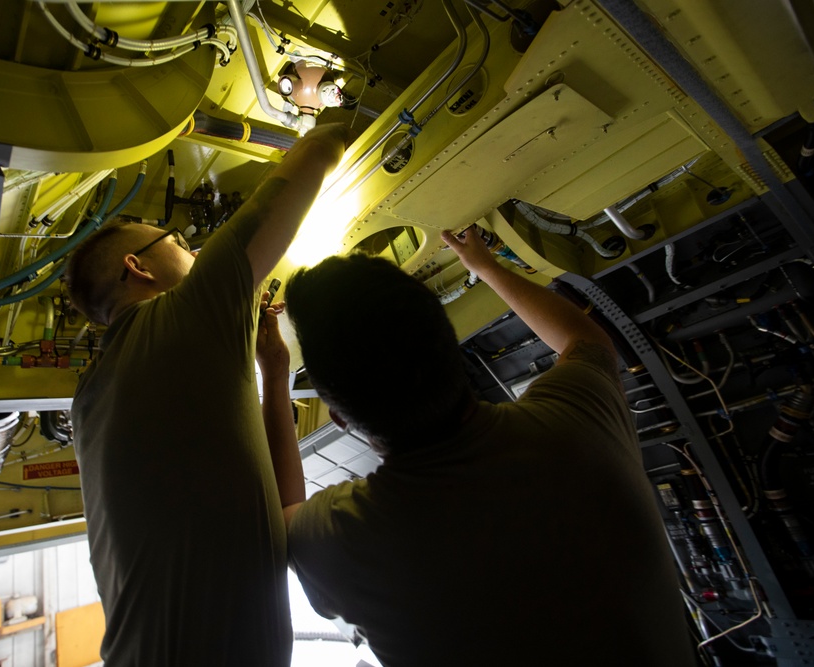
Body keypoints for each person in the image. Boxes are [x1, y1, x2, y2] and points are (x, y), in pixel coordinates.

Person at [276, 226, 697, 666]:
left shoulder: (342, 537)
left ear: (340, 419)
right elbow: (588, 342)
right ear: (451, 351)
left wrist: (273, 372)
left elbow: (284, 513)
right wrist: (485, 266)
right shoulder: (574, 425)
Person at [64, 122, 348, 666]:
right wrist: (344, 123)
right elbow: (314, 155)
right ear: (138, 266)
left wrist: (275, 376)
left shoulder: (92, 398)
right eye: (176, 242)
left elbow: (282, 513)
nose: (191, 248)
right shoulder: (183, 313)